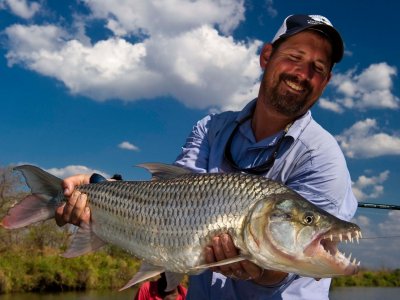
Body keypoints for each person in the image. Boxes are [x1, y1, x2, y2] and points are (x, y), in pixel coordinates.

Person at [55, 14, 358, 299]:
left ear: (326, 81)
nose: (302, 74)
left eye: (317, 68)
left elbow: (288, 272)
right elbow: (166, 201)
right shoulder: (210, 128)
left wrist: (259, 271)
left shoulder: (324, 158)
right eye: (294, 57)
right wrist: (101, 186)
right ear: (266, 57)